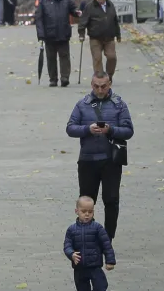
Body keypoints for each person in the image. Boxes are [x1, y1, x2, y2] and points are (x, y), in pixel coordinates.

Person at [66, 71, 134, 240]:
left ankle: (108, 238)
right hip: (87, 160)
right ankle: (87, 236)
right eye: (96, 86)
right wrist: (87, 129)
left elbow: (129, 131)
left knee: (111, 200)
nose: (100, 90)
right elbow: (70, 128)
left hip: (111, 159)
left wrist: (110, 130)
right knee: (87, 201)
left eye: (103, 86)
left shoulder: (119, 105)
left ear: (109, 84)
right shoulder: (83, 104)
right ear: (91, 85)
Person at [35, 0, 82, 87]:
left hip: (63, 32)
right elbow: (39, 18)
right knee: (51, 58)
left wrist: (76, 12)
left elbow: (72, 9)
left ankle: (65, 77)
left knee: (64, 56)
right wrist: (41, 34)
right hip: (49, 34)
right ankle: (53, 79)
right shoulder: (43, 0)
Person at [64, 196, 116, 291]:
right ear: (77, 211)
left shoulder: (98, 228)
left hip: (95, 266)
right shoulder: (71, 229)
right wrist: (71, 254)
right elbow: (67, 245)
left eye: (90, 212)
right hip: (79, 267)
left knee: (101, 286)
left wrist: (110, 261)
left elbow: (106, 245)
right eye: (83, 212)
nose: (87, 214)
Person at [78, 0, 121, 80]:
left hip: (109, 38)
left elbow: (115, 20)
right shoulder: (90, 7)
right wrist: (81, 34)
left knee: (112, 57)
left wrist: (118, 34)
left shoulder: (110, 5)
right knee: (97, 58)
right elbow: (83, 21)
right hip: (95, 38)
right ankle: (100, 78)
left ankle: (109, 76)